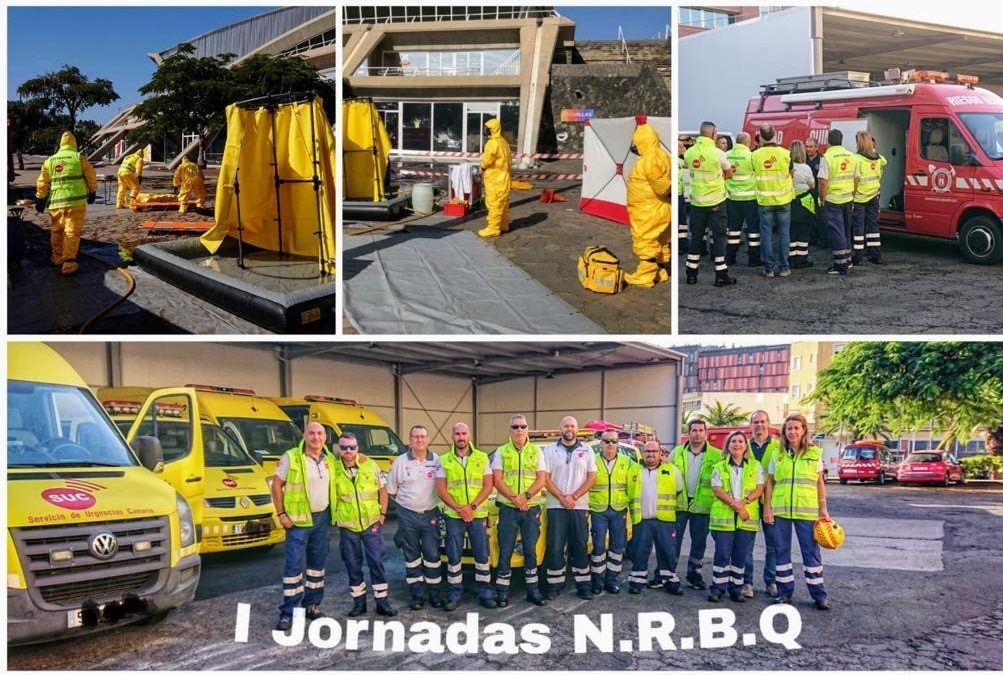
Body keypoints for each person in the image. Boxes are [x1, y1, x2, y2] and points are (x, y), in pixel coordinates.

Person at [271, 422, 338, 632]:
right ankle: (288, 613)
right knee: (293, 568)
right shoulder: (291, 457)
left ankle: (312, 606)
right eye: (312, 433)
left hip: (322, 520)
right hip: (298, 522)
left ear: (325, 438)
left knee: (317, 568)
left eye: (320, 434)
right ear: (304, 435)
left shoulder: (330, 460)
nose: (316, 437)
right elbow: (276, 485)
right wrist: (281, 513)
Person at [764, 413, 830, 610]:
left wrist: (823, 507)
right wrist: (767, 507)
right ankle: (785, 593)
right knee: (781, 552)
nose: (792, 431)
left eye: (796, 428)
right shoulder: (778, 455)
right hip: (781, 511)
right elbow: (770, 482)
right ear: (784, 432)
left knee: (811, 553)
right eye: (789, 428)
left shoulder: (814, 454)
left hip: (807, 512)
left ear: (804, 431)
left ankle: (819, 594)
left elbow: (819, 482)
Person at [333, 432, 396, 618]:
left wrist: (382, 515)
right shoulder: (333, 468)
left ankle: (382, 603)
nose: (348, 451)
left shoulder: (370, 465)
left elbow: (383, 491)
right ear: (339, 449)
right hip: (348, 526)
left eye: (352, 447)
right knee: (352, 565)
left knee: (376, 562)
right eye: (344, 447)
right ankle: (359, 603)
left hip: (371, 524)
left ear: (357, 448)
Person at [491, 414, 548, 607]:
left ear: (528, 429)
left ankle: (533, 591)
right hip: (508, 509)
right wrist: (515, 499)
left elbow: (541, 479)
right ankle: (502, 593)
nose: (519, 430)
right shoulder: (501, 452)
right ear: (509, 430)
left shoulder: (536, 452)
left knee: (530, 551)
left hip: (531, 509)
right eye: (515, 427)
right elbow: (497, 480)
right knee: (505, 550)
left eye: (523, 426)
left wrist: (526, 497)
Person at [436, 422, 495, 610]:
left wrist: (472, 506)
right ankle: (454, 594)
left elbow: (488, 485)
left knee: (482, 554)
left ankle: (484, 592)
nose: (461, 437)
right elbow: (441, 489)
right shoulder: (444, 460)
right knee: (454, 556)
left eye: (463, 433)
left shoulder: (482, 457)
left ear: (469, 435)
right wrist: (460, 508)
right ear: (452, 436)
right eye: (457, 434)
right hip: (454, 515)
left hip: (477, 515)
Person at [386, 424, 444, 610]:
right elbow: (392, 491)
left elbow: (443, 486)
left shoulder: (436, 461)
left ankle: (434, 595)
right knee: (411, 557)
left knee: (432, 555)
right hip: (407, 516)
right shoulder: (400, 462)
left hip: (430, 515)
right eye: (415, 437)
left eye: (422, 436)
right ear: (410, 440)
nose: (419, 440)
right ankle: (417, 595)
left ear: (428, 439)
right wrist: (409, 504)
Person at [542, 416, 598, 600]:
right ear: (561, 428)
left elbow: (591, 477)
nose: (569, 429)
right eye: (566, 425)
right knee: (556, 546)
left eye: (573, 426)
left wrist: (573, 497)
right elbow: (545, 478)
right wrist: (561, 497)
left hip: (579, 506)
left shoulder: (587, 450)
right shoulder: (550, 450)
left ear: (577, 429)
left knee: (580, 546)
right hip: (555, 506)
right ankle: (554, 586)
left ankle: (584, 586)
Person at [708, 430, 765, 603]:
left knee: (740, 556)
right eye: (733, 441)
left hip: (745, 521)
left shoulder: (755, 466)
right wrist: (738, 507)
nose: (737, 444)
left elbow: (759, 489)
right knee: (722, 555)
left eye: (740, 441)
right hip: (724, 520)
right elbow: (717, 490)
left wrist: (744, 502)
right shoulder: (719, 466)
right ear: (728, 445)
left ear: (745, 445)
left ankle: (736, 588)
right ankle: (717, 588)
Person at [626, 441, 686, 594]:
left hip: (665, 519)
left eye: (654, 451)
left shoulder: (672, 470)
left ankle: (670, 581)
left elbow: (679, 489)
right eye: (647, 451)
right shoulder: (633, 470)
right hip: (641, 519)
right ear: (642, 453)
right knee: (639, 551)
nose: (650, 454)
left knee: (667, 551)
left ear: (660, 453)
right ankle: (637, 581)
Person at [35, 131, 98, 276]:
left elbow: (42, 181)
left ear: (61, 144)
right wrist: (92, 191)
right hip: (76, 202)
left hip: (55, 204)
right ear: (74, 143)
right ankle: (69, 262)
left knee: (56, 231)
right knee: (72, 231)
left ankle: (57, 258)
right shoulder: (78, 157)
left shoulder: (49, 161)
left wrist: (40, 198)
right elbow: (91, 175)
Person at [670, 419, 723, 590]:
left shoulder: (717, 455)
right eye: (694, 430)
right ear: (689, 433)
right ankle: (668, 573)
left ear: (705, 433)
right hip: (679, 505)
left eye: (701, 430)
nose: (697, 433)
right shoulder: (677, 453)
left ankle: (694, 574)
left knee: (699, 543)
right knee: (673, 541)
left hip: (703, 506)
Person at [683, 121, 737, 287]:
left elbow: (689, 173)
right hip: (716, 202)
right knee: (719, 236)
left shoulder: (689, 153)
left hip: (697, 202)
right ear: (713, 134)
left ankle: (691, 274)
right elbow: (729, 174)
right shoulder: (718, 153)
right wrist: (725, 174)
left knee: (696, 237)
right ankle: (721, 274)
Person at [623, 121, 670, 287]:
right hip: (661, 207)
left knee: (645, 241)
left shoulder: (648, 160)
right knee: (661, 241)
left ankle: (645, 276)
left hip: (648, 210)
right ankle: (660, 272)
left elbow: (662, 186)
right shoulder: (663, 156)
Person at [588, 431, 632, 595]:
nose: (610, 444)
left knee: (617, 548)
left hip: (618, 510)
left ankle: (611, 581)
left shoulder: (627, 462)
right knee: (598, 547)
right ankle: (598, 582)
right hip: (598, 510)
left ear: (618, 444)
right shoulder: (592, 461)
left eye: (614, 441)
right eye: (606, 441)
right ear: (601, 444)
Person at [750, 124, 794, 278]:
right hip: (783, 199)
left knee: (766, 234)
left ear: (760, 137)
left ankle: (769, 269)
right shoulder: (786, 153)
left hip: (764, 200)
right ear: (775, 135)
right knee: (784, 234)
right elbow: (791, 173)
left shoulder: (755, 155)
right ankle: (784, 267)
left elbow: (753, 173)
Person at [745, 410, 780, 598]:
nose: (759, 425)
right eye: (755, 422)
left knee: (772, 544)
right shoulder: (744, 446)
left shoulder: (777, 446)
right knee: (746, 545)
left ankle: (771, 581)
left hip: (771, 501)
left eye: (762, 421)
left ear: (768, 423)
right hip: (749, 501)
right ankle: (747, 582)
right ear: (750, 425)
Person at [818, 128, 857, 275]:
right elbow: (856, 178)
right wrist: (852, 194)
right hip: (847, 198)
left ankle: (840, 265)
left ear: (828, 141)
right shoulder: (851, 156)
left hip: (833, 199)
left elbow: (823, 181)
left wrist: (822, 199)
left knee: (837, 231)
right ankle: (848, 260)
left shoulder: (827, 157)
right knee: (846, 230)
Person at [724, 132, 762, 267]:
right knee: (753, 230)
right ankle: (754, 259)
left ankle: (730, 257)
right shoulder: (751, 156)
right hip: (750, 198)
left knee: (733, 229)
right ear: (747, 142)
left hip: (732, 197)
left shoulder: (727, 155)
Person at [851, 131, 887, 265]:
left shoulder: (856, 159)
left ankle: (857, 256)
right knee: (873, 226)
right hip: (874, 195)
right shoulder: (878, 158)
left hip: (860, 197)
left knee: (858, 227)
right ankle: (875, 254)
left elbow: (855, 179)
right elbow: (884, 162)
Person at [478, 118, 512, 238]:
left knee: (494, 203)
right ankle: (503, 225)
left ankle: (493, 228)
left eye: (487, 128)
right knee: (503, 202)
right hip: (505, 177)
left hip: (495, 177)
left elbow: (487, 161)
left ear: (492, 130)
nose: (485, 131)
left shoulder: (492, 143)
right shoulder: (503, 141)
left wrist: (482, 167)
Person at [788, 140, 816, 269]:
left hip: (790, 203)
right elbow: (812, 185)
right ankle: (802, 259)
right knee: (804, 234)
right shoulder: (806, 168)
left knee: (791, 233)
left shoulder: (787, 168)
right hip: (805, 205)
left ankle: (791, 258)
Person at [804, 138, 826, 247]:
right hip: (806, 194)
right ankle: (810, 238)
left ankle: (822, 240)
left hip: (818, 193)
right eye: (806, 146)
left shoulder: (822, 160)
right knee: (809, 217)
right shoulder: (802, 159)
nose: (808, 149)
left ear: (817, 147)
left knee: (821, 217)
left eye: (810, 147)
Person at [677, 140, 691, 257]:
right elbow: (686, 180)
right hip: (679, 195)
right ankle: (683, 245)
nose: (684, 149)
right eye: (682, 147)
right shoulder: (682, 162)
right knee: (682, 222)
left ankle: (681, 244)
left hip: (674, 194)